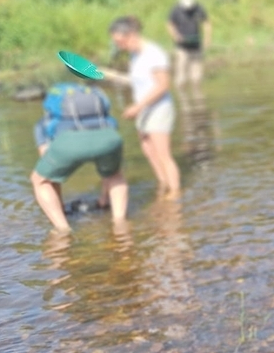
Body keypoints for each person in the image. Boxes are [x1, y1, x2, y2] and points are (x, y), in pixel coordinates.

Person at [31, 82, 128, 231]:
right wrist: (102, 201)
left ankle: (63, 229)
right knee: (114, 174)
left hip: (69, 143)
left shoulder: (44, 122)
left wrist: (61, 205)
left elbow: (49, 171)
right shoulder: (101, 115)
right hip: (110, 138)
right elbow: (107, 173)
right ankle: (119, 222)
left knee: (40, 180)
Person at [109, 16, 181, 199]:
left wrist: (138, 107)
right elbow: (139, 82)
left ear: (131, 35)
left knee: (163, 153)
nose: (119, 46)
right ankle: (163, 184)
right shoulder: (135, 56)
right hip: (144, 109)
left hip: (158, 108)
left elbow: (163, 85)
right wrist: (112, 76)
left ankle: (174, 193)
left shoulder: (154, 54)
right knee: (149, 150)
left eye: (120, 41)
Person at [166, 0, 211, 104]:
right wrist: (176, 36)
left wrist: (207, 38)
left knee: (197, 77)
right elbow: (170, 24)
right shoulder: (175, 10)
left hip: (196, 45)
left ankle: (198, 99)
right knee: (181, 76)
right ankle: (183, 101)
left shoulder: (198, 8)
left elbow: (206, 23)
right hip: (181, 47)